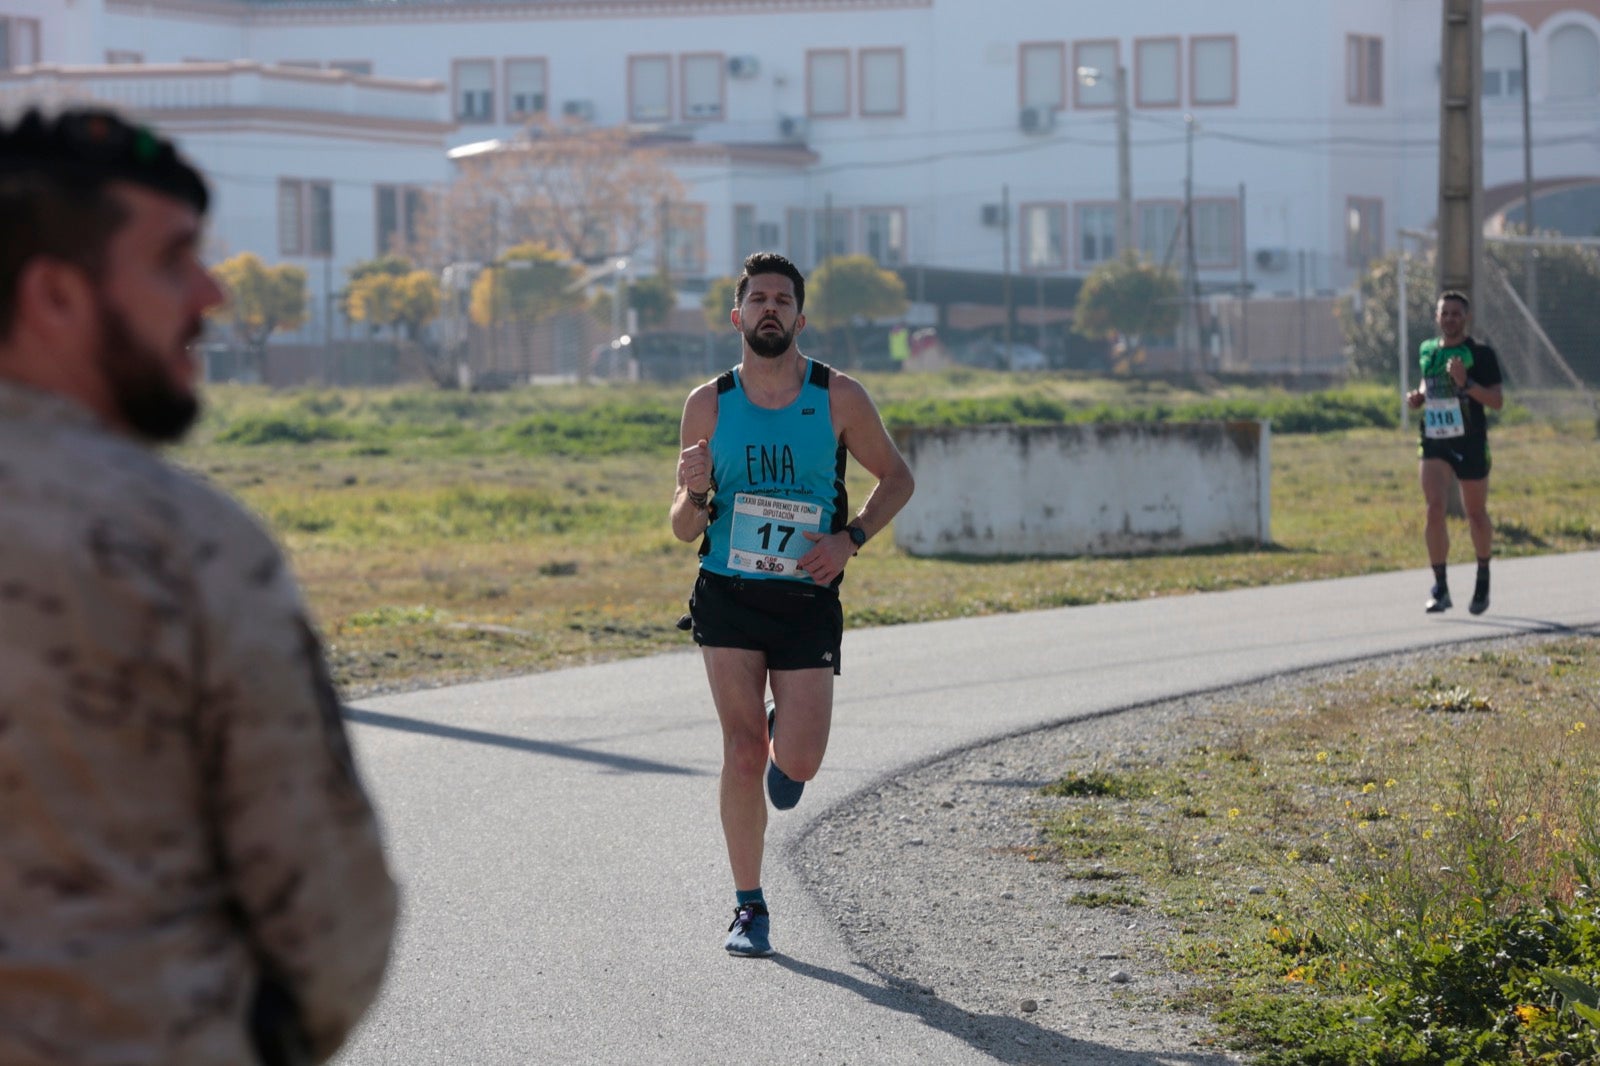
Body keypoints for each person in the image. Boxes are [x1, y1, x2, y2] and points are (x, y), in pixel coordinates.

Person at [0, 107, 397, 1064]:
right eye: (174, 261)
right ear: (54, 296)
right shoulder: (177, 544)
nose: (212, 295)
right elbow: (329, 921)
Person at [671, 252, 914, 957]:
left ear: (800, 318)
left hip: (807, 595)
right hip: (728, 592)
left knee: (797, 761)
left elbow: (896, 478)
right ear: (736, 314)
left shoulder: (837, 396)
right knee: (743, 752)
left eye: (782, 299)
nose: (769, 308)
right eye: (757, 298)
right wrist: (693, 492)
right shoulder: (708, 403)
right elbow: (685, 527)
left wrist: (851, 538)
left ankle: (789, 743)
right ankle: (749, 907)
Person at [1404, 290, 1504, 615]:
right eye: (1444, 313)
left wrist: (1466, 383)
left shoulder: (1481, 354)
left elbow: (1497, 401)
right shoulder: (1427, 350)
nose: (1450, 319)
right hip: (1434, 438)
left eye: (1456, 313)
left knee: (1475, 513)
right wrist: (1419, 396)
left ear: (1466, 318)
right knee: (1434, 509)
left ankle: (1483, 576)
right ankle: (1440, 587)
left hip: (1470, 440)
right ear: (1436, 317)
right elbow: (1427, 380)